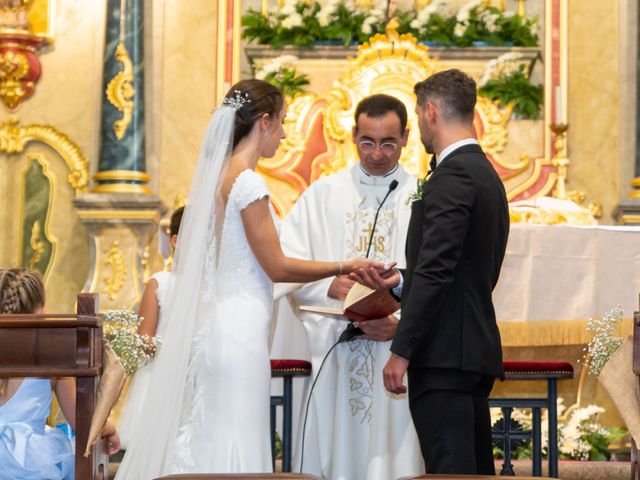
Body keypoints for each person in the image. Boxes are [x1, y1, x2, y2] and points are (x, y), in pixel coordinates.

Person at [115, 79, 387, 479]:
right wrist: (343, 265)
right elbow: (275, 266)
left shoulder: (217, 177)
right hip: (239, 330)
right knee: (237, 433)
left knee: (212, 431)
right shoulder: (247, 181)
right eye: (281, 122)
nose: (283, 133)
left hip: (219, 324)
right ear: (263, 122)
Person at [352, 69, 510, 475]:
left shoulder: (452, 175)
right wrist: (401, 281)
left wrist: (402, 351)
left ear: (430, 112)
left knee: (450, 470)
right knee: (471, 471)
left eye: (420, 116)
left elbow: (439, 271)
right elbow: (461, 267)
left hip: (443, 357)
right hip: (467, 351)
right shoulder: (485, 174)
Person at [278, 94, 423, 480]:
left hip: (396, 350)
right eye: (367, 141)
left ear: (406, 137)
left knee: (393, 451)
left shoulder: (422, 198)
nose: (377, 153)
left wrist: (401, 327)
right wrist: (329, 286)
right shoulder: (322, 195)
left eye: (388, 142)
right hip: (333, 347)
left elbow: (438, 280)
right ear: (353, 136)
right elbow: (286, 264)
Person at [0, 268, 120, 480]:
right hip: (27, 463)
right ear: (41, 312)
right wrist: (109, 428)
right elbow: (82, 422)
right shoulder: (51, 356)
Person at [117, 206, 184, 448]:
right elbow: (144, 337)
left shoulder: (211, 287)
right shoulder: (161, 283)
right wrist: (170, 349)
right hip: (161, 376)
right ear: (175, 240)